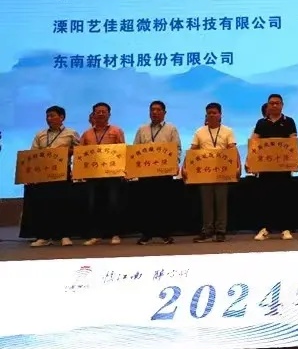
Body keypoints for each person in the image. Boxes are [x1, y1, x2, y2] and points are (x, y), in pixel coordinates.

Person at [27, 106, 81, 247]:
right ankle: (44, 237)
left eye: (52, 115)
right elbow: (33, 153)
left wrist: (66, 152)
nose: (49, 118)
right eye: (47, 116)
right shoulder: (40, 134)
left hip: (62, 172)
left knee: (63, 204)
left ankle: (65, 235)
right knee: (44, 205)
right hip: (43, 174)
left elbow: (80, 150)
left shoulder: (71, 133)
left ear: (61, 117)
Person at [132, 100, 182, 245]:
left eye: (158, 110)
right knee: (146, 204)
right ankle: (146, 234)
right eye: (152, 110)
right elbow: (135, 149)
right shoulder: (142, 129)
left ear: (164, 113)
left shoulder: (171, 129)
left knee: (164, 204)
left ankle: (165, 234)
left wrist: (174, 163)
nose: (155, 112)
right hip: (146, 173)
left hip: (164, 173)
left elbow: (177, 149)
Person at [189, 102, 239, 243]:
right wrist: (185, 167)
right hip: (205, 172)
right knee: (206, 203)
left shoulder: (228, 131)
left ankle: (221, 231)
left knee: (221, 202)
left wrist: (238, 166)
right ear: (206, 115)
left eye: (214, 113)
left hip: (222, 171)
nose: (211, 115)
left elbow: (232, 150)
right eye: (209, 113)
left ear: (220, 115)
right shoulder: (199, 132)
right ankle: (207, 231)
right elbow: (193, 150)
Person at [251, 94, 298, 241]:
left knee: (284, 198)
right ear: (268, 105)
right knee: (265, 199)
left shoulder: (289, 121)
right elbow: (254, 142)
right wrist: (251, 162)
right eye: (271, 103)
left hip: (283, 168)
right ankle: (265, 229)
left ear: (282, 105)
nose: (274, 105)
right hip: (266, 168)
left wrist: (297, 160)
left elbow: (293, 142)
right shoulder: (261, 123)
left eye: (277, 103)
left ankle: (285, 229)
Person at [81, 102, 126, 246]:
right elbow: (81, 154)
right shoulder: (86, 134)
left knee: (113, 203)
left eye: (103, 111)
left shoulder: (116, 131)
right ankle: (95, 235)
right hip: (93, 175)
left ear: (109, 114)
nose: (100, 114)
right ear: (93, 115)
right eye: (98, 112)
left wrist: (123, 170)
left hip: (112, 174)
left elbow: (123, 151)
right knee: (94, 204)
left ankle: (115, 234)